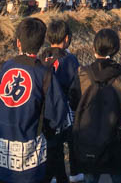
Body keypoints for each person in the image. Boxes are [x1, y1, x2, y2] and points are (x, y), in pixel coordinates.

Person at [0, 18, 67, 183]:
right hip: (30, 155)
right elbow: (57, 114)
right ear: (42, 43)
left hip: (2, 150)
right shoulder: (44, 74)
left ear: (18, 42)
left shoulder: (5, 68)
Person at [69, 29, 121, 183]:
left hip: (87, 137)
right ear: (116, 49)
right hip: (114, 136)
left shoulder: (82, 74)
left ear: (94, 48)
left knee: (90, 176)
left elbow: (73, 102)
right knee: (118, 175)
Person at [41, 20, 83, 183]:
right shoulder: (69, 59)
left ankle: (53, 174)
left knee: (53, 144)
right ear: (66, 38)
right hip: (65, 107)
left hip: (46, 108)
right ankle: (74, 172)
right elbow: (76, 86)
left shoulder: (43, 56)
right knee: (73, 140)